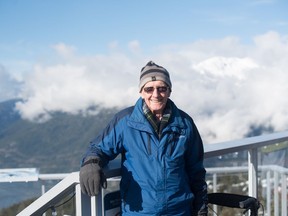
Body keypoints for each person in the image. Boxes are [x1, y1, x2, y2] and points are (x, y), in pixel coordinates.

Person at [80, 61, 208, 216]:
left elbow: (196, 172)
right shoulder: (125, 121)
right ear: (141, 91)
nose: (156, 94)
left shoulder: (185, 123)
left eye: (162, 88)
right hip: (139, 212)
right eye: (149, 89)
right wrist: (91, 163)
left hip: (180, 211)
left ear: (169, 91)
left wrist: (200, 209)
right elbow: (98, 147)